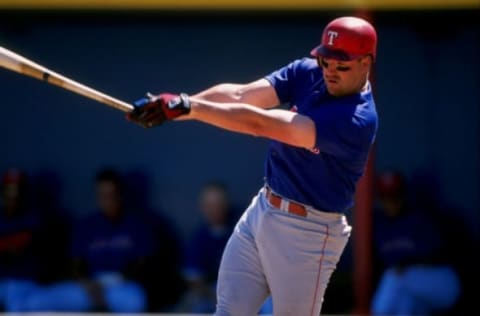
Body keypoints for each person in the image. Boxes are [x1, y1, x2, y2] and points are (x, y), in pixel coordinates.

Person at [127, 16, 378, 315]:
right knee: (229, 311)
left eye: (342, 65)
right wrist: (177, 106)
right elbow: (241, 95)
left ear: (365, 63)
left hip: (309, 231)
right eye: (326, 62)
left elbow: (260, 123)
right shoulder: (309, 71)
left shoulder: (357, 120)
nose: (330, 72)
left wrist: (191, 108)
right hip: (263, 209)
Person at [10, 168, 155, 313]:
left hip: (121, 286)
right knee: (36, 303)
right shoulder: (87, 225)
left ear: (120, 195)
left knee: (134, 302)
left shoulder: (136, 225)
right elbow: (74, 263)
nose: (107, 200)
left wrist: (118, 279)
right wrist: (86, 283)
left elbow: (144, 262)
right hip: (88, 285)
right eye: (102, 195)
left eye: (111, 195)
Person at [370, 170, 461, 315]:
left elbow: (437, 257)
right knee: (405, 304)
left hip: (442, 282)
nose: (391, 202)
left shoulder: (420, 219)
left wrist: (406, 264)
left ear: (404, 195)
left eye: (394, 196)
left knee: (394, 277)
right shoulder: (379, 225)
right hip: (412, 291)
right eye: (386, 197)